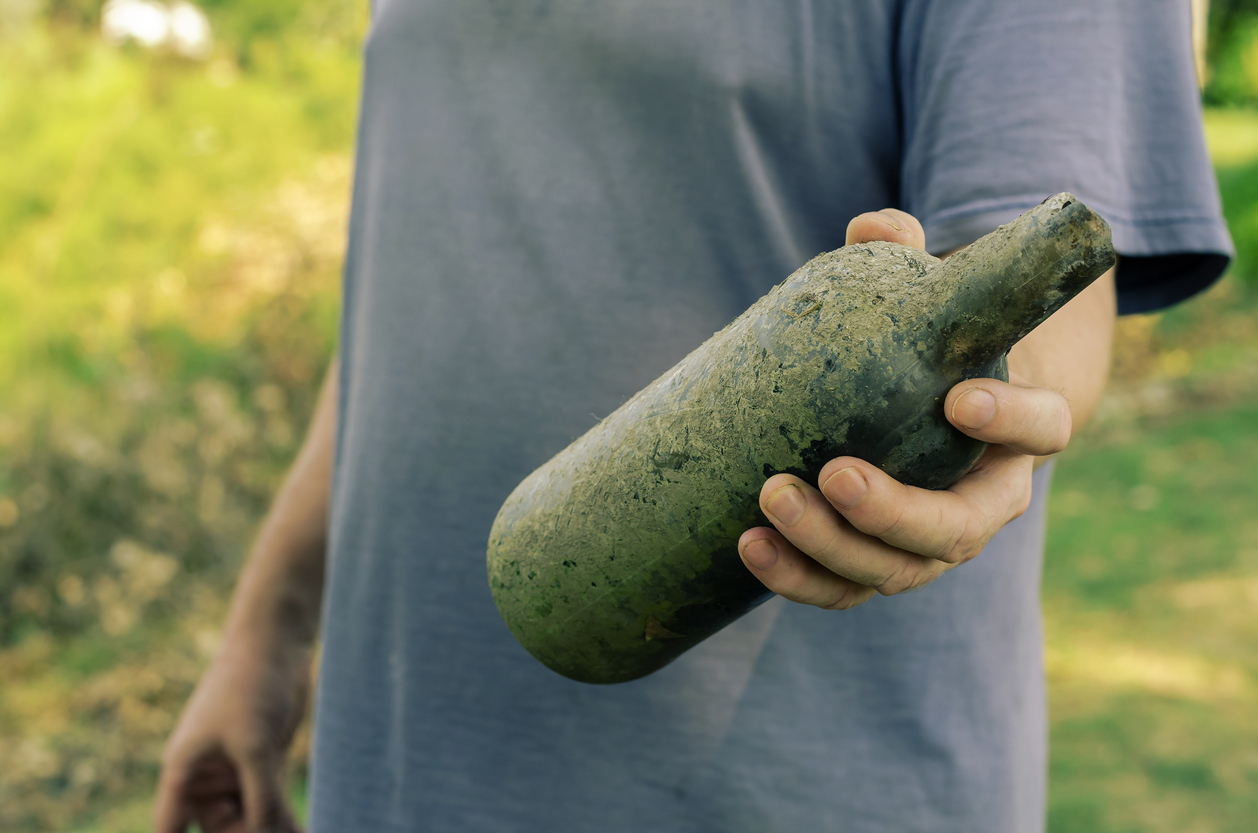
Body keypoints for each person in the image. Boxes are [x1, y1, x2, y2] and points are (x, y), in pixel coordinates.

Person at [154, 1, 1232, 831]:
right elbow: (424, 279)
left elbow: (1044, 285)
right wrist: (269, 625)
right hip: (400, 767)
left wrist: (986, 412)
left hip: (773, 791)